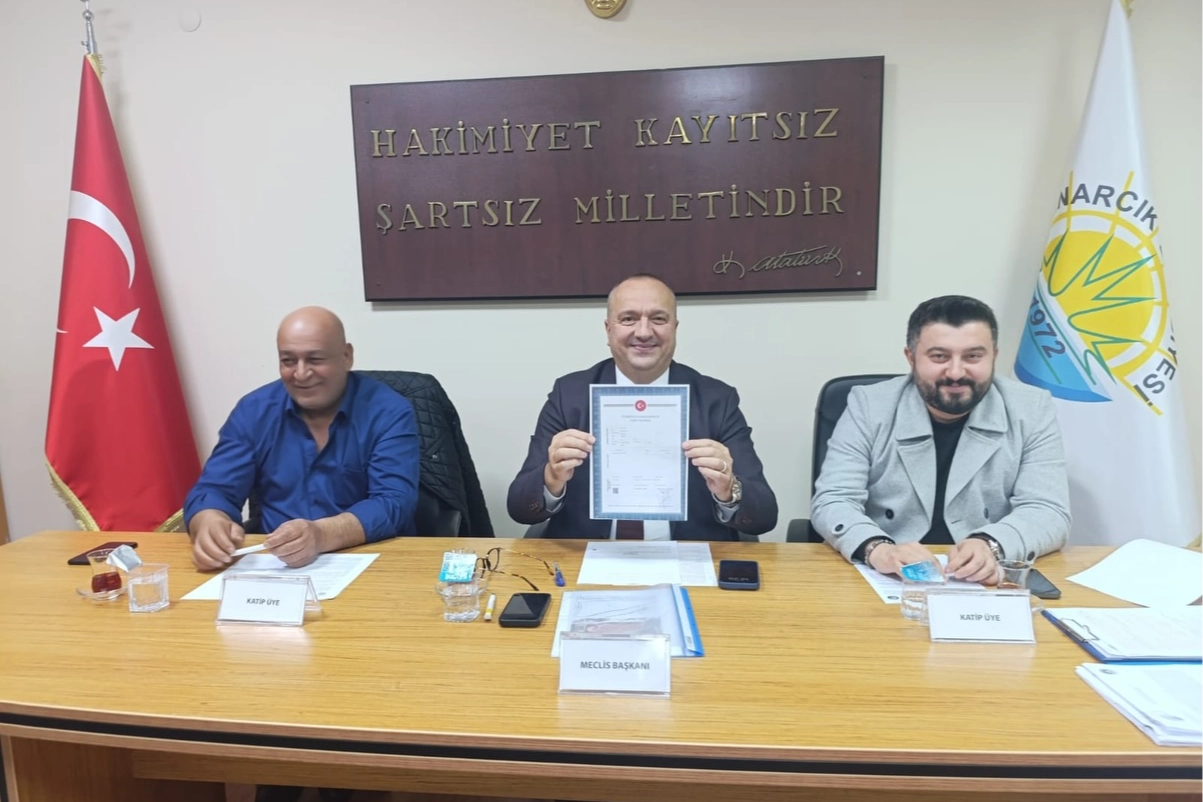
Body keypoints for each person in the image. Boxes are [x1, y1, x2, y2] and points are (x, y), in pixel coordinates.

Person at [811, 295, 1070, 582]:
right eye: (939, 357)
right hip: (887, 578)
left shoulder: (1031, 408)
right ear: (911, 357)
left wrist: (991, 544)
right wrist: (878, 549)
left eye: (973, 356)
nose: (956, 372)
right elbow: (834, 500)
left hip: (985, 580)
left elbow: (1048, 510)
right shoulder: (869, 404)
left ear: (994, 357)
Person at [507, 274, 777, 540]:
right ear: (608, 329)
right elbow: (520, 509)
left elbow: (764, 516)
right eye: (628, 318)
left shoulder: (716, 400)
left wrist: (729, 490)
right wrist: (551, 478)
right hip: (588, 555)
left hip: (688, 555)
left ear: (674, 328)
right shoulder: (569, 395)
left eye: (658, 319)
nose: (644, 332)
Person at [184, 306, 419, 571]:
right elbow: (215, 489)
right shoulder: (253, 411)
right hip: (275, 566)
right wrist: (208, 520)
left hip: (370, 560)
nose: (301, 374)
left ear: (346, 356)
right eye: (288, 361)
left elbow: (394, 502)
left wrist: (322, 535)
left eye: (315, 359)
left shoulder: (388, 411)